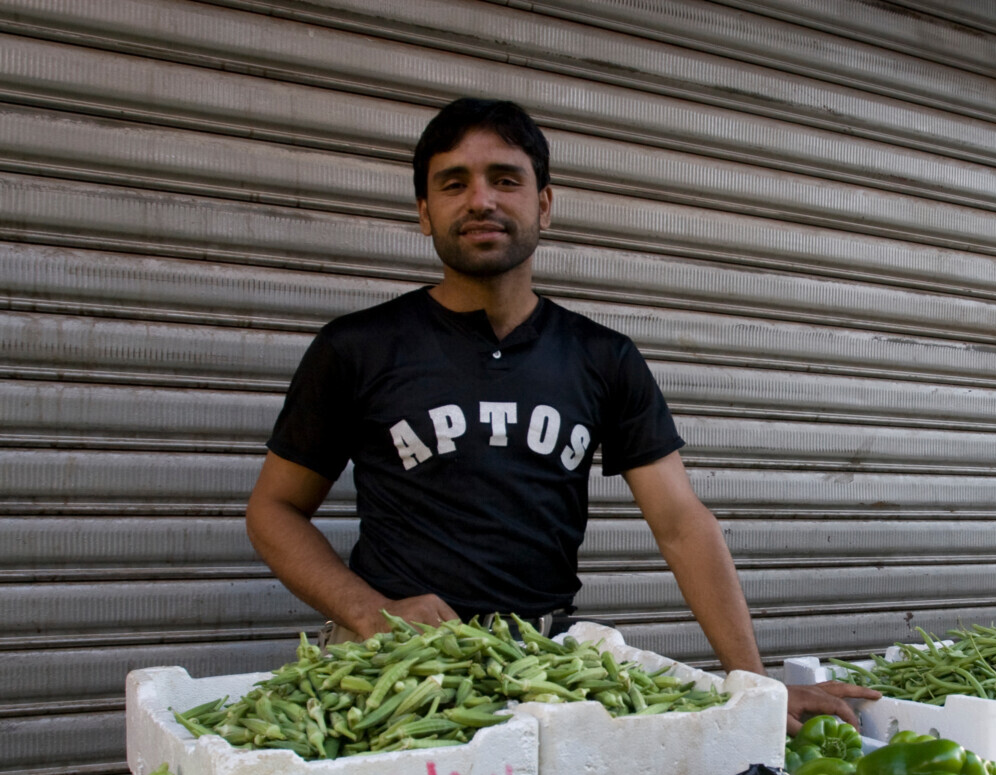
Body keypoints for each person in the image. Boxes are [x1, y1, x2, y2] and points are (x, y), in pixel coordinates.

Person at [245, 97, 877, 732]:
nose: (481, 200)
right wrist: (370, 611)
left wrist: (753, 682)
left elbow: (682, 522)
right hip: (392, 670)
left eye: (505, 179)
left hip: (547, 668)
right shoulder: (358, 348)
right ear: (424, 213)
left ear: (544, 205)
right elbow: (274, 509)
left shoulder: (601, 357)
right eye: (454, 183)